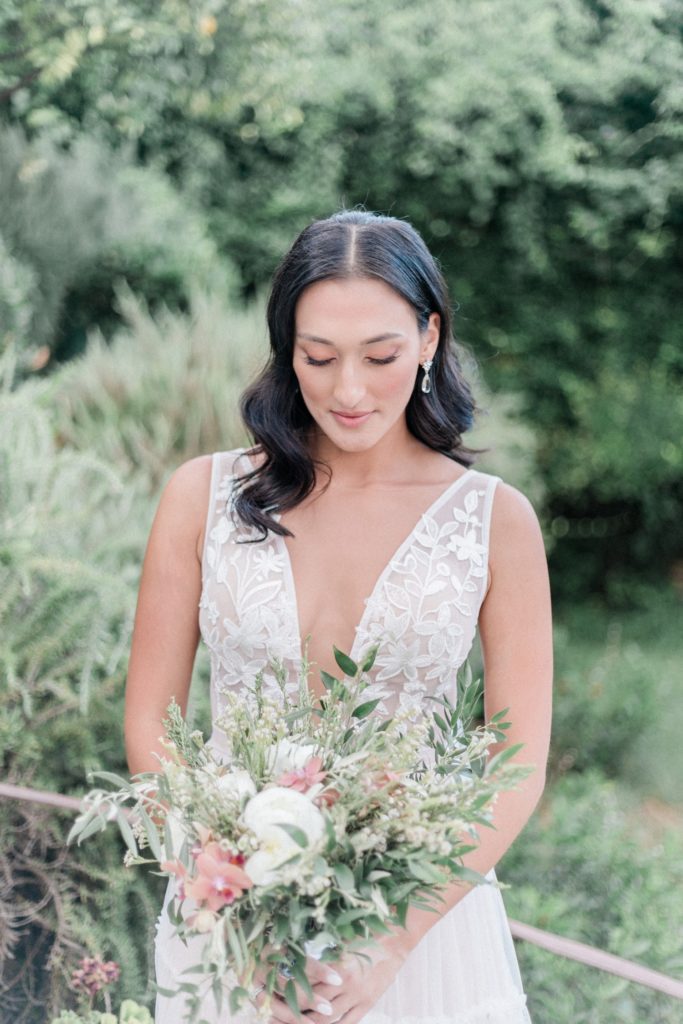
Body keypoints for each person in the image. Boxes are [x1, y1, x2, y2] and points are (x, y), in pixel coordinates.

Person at [124, 209, 553, 1024]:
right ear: (288, 349)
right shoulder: (200, 497)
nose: (347, 391)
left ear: (429, 338)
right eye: (318, 358)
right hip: (227, 917)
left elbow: (518, 759)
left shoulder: (495, 521)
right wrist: (223, 888)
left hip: (422, 928)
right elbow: (151, 720)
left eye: (380, 356)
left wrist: (391, 940)